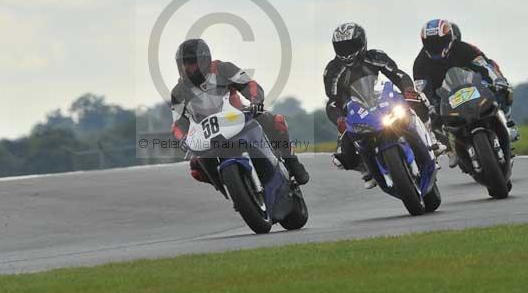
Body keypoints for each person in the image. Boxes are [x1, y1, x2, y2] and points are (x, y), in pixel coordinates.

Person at [170, 38, 309, 185]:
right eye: (184, 63)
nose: (187, 68)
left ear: (204, 61)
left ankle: (292, 162)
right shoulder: (178, 92)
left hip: (237, 118)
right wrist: (183, 138)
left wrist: (255, 101)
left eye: (191, 63)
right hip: (206, 134)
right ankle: (226, 185)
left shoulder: (223, 68)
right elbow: (178, 122)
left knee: (273, 121)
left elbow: (249, 84)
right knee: (195, 166)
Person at [324, 23, 435, 189]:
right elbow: (333, 100)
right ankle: (366, 168)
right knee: (341, 156)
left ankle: (431, 138)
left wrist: (408, 90)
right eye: (341, 47)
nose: (346, 51)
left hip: (383, 99)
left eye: (350, 45)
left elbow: (398, 75)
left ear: (362, 43)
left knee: (417, 100)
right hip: (356, 111)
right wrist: (340, 118)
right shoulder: (332, 70)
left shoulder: (375, 56)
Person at [413, 19, 518, 168]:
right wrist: (429, 105)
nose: (435, 46)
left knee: (504, 90)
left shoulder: (464, 48)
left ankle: (507, 121)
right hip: (444, 97)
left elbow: (484, 64)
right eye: (431, 43)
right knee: (429, 118)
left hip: (473, 87)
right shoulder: (420, 63)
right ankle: (451, 148)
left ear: (449, 38)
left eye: (439, 42)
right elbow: (421, 89)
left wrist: (497, 80)